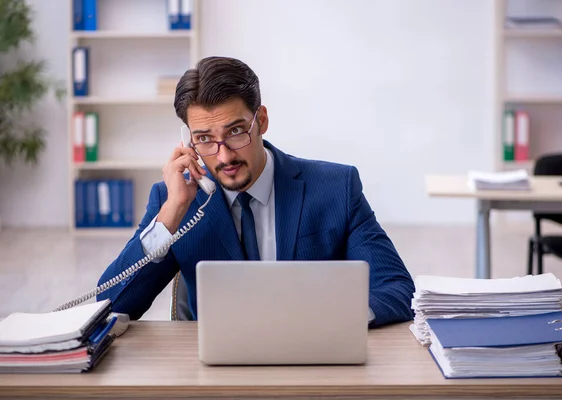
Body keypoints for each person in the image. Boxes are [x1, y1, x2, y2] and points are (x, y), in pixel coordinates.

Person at [97, 56, 415, 327]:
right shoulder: (174, 200)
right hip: (215, 377)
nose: (224, 157)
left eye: (236, 132)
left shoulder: (336, 187)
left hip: (314, 366)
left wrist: (329, 321)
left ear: (261, 121)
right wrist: (170, 215)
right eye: (204, 138)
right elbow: (111, 306)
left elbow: (397, 288)